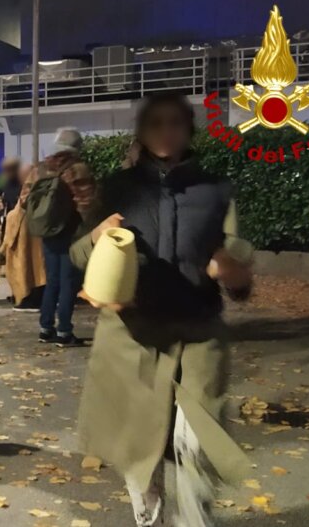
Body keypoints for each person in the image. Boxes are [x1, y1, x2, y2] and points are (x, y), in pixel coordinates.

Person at [72, 93, 254, 527]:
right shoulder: (119, 188)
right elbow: (79, 254)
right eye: (155, 123)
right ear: (142, 131)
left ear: (189, 129)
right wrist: (96, 237)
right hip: (132, 337)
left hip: (198, 334)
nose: (165, 132)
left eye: (175, 122)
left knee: (197, 445)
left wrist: (231, 269)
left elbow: (240, 268)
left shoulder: (215, 190)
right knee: (141, 451)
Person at [31, 127, 87, 346]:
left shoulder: (43, 168)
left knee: (52, 281)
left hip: (48, 231)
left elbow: (27, 200)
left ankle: (45, 328)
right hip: (70, 232)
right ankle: (64, 331)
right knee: (68, 283)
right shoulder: (77, 169)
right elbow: (86, 202)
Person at [1, 162, 46, 311]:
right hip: (37, 231)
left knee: (27, 267)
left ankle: (29, 298)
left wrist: (12, 216)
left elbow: (22, 204)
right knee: (38, 268)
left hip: (27, 232)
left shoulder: (29, 186)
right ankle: (35, 297)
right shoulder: (46, 186)